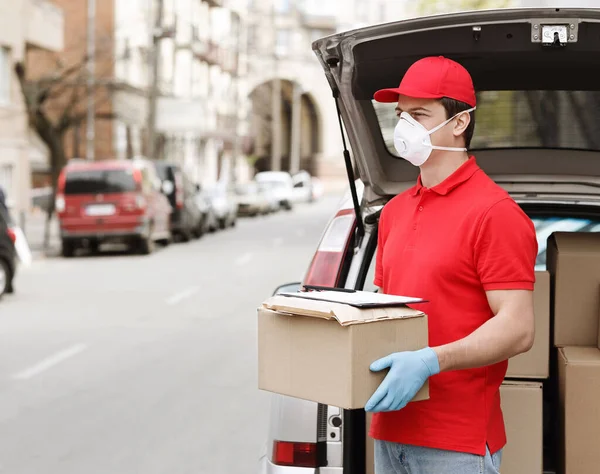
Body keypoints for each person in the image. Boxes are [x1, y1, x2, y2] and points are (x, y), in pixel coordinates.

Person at [365, 56, 537, 474]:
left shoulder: (494, 213)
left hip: (456, 445)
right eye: (401, 114)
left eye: (420, 114)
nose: (404, 126)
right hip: (389, 430)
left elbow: (518, 327)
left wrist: (429, 361)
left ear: (459, 123)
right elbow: (383, 311)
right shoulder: (393, 213)